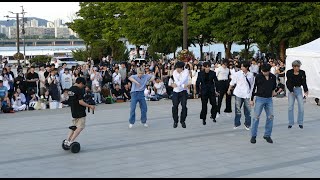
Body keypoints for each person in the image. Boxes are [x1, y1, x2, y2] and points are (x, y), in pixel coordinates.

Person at [250, 64, 282, 144]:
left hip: (269, 99)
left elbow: (274, 87)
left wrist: (274, 92)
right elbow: (253, 88)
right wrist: (251, 99)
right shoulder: (258, 76)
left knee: (270, 117)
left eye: (266, 71)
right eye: (263, 71)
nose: (264, 73)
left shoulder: (273, 77)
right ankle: (253, 136)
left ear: (269, 70)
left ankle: (267, 135)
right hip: (260, 99)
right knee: (256, 118)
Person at [64, 77, 95, 147]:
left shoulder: (70, 89)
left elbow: (69, 100)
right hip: (80, 111)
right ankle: (71, 141)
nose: (82, 87)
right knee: (80, 127)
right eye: (83, 85)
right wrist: (90, 106)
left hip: (73, 110)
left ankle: (67, 140)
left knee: (74, 126)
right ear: (80, 83)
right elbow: (80, 102)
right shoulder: (78, 90)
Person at [227, 61, 255, 130]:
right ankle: (237, 123)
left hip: (247, 94)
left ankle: (247, 124)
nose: (241, 67)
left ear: (247, 67)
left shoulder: (251, 75)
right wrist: (229, 89)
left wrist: (252, 98)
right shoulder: (237, 74)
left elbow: (252, 86)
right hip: (239, 94)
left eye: (243, 66)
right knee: (237, 110)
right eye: (241, 66)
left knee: (248, 111)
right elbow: (232, 82)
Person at [286, 60, 308, 129]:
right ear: (293, 67)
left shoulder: (302, 72)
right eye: (296, 66)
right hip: (291, 90)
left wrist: (306, 90)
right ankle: (290, 122)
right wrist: (291, 90)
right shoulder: (289, 72)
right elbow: (288, 82)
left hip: (298, 89)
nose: (298, 68)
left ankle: (300, 122)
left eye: (299, 66)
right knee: (290, 107)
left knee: (301, 107)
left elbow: (304, 82)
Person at [171, 61, 190, 128]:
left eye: (179, 68)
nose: (177, 70)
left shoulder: (186, 71)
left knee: (184, 106)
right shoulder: (174, 72)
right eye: (176, 68)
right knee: (175, 106)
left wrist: (179, 85)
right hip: (176, 92)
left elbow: (182, 80)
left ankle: (182, 121)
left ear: (182, 68)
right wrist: (183, 85)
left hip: (183, 92)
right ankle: (175, 121)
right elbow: (176, 81)